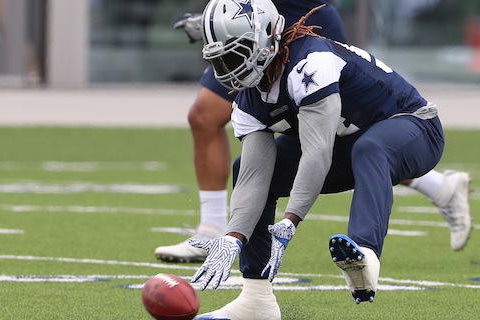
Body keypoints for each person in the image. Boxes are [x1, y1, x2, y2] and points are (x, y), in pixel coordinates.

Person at [187, 0, 453, 318]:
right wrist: (234, 237)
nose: (229, 69)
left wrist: (290, 219)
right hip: (348, 144)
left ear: (268, 35)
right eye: (221, 60)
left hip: (415, 127)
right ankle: (256, 299)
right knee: (244, 166)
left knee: (370, 148)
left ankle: (365, 254)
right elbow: (256, 173)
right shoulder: (247, 101)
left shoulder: (309, 64)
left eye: (236, 53)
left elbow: (317, 153)